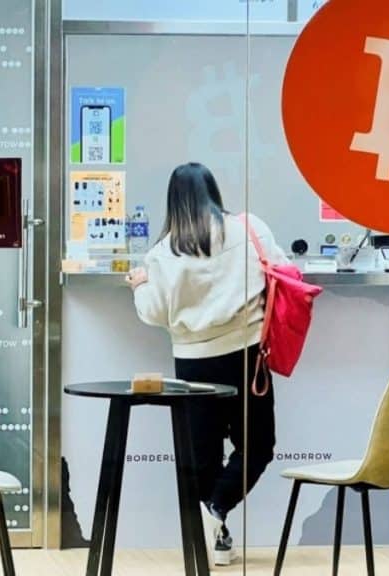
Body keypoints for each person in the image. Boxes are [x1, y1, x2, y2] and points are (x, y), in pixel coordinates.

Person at [125, 163, 288, 566]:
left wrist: (140, 285)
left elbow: (153, 313)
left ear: (173, 201)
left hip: (193, 362)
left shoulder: (162, 252)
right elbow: (283, 270)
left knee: (203, 456)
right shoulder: (250, 228)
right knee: (257, 447)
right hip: (246, 355)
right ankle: (218, 515)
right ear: (213, 191)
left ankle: (215, 527)